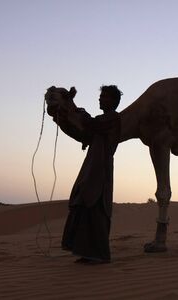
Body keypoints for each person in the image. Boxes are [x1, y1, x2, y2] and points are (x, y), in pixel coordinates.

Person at [51, 85, 122, 264]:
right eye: (101, 96)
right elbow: (81, 132)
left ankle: (98, 255)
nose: (100, 99)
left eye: (104, 97)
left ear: (113, 101)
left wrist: (71, 105)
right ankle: (86, 252)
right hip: (91, 168)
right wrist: (61, 115)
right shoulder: (100, 123)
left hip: (100, 170)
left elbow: (90, 124)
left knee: (96, 207)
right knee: (83, 205)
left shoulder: (112, 119)